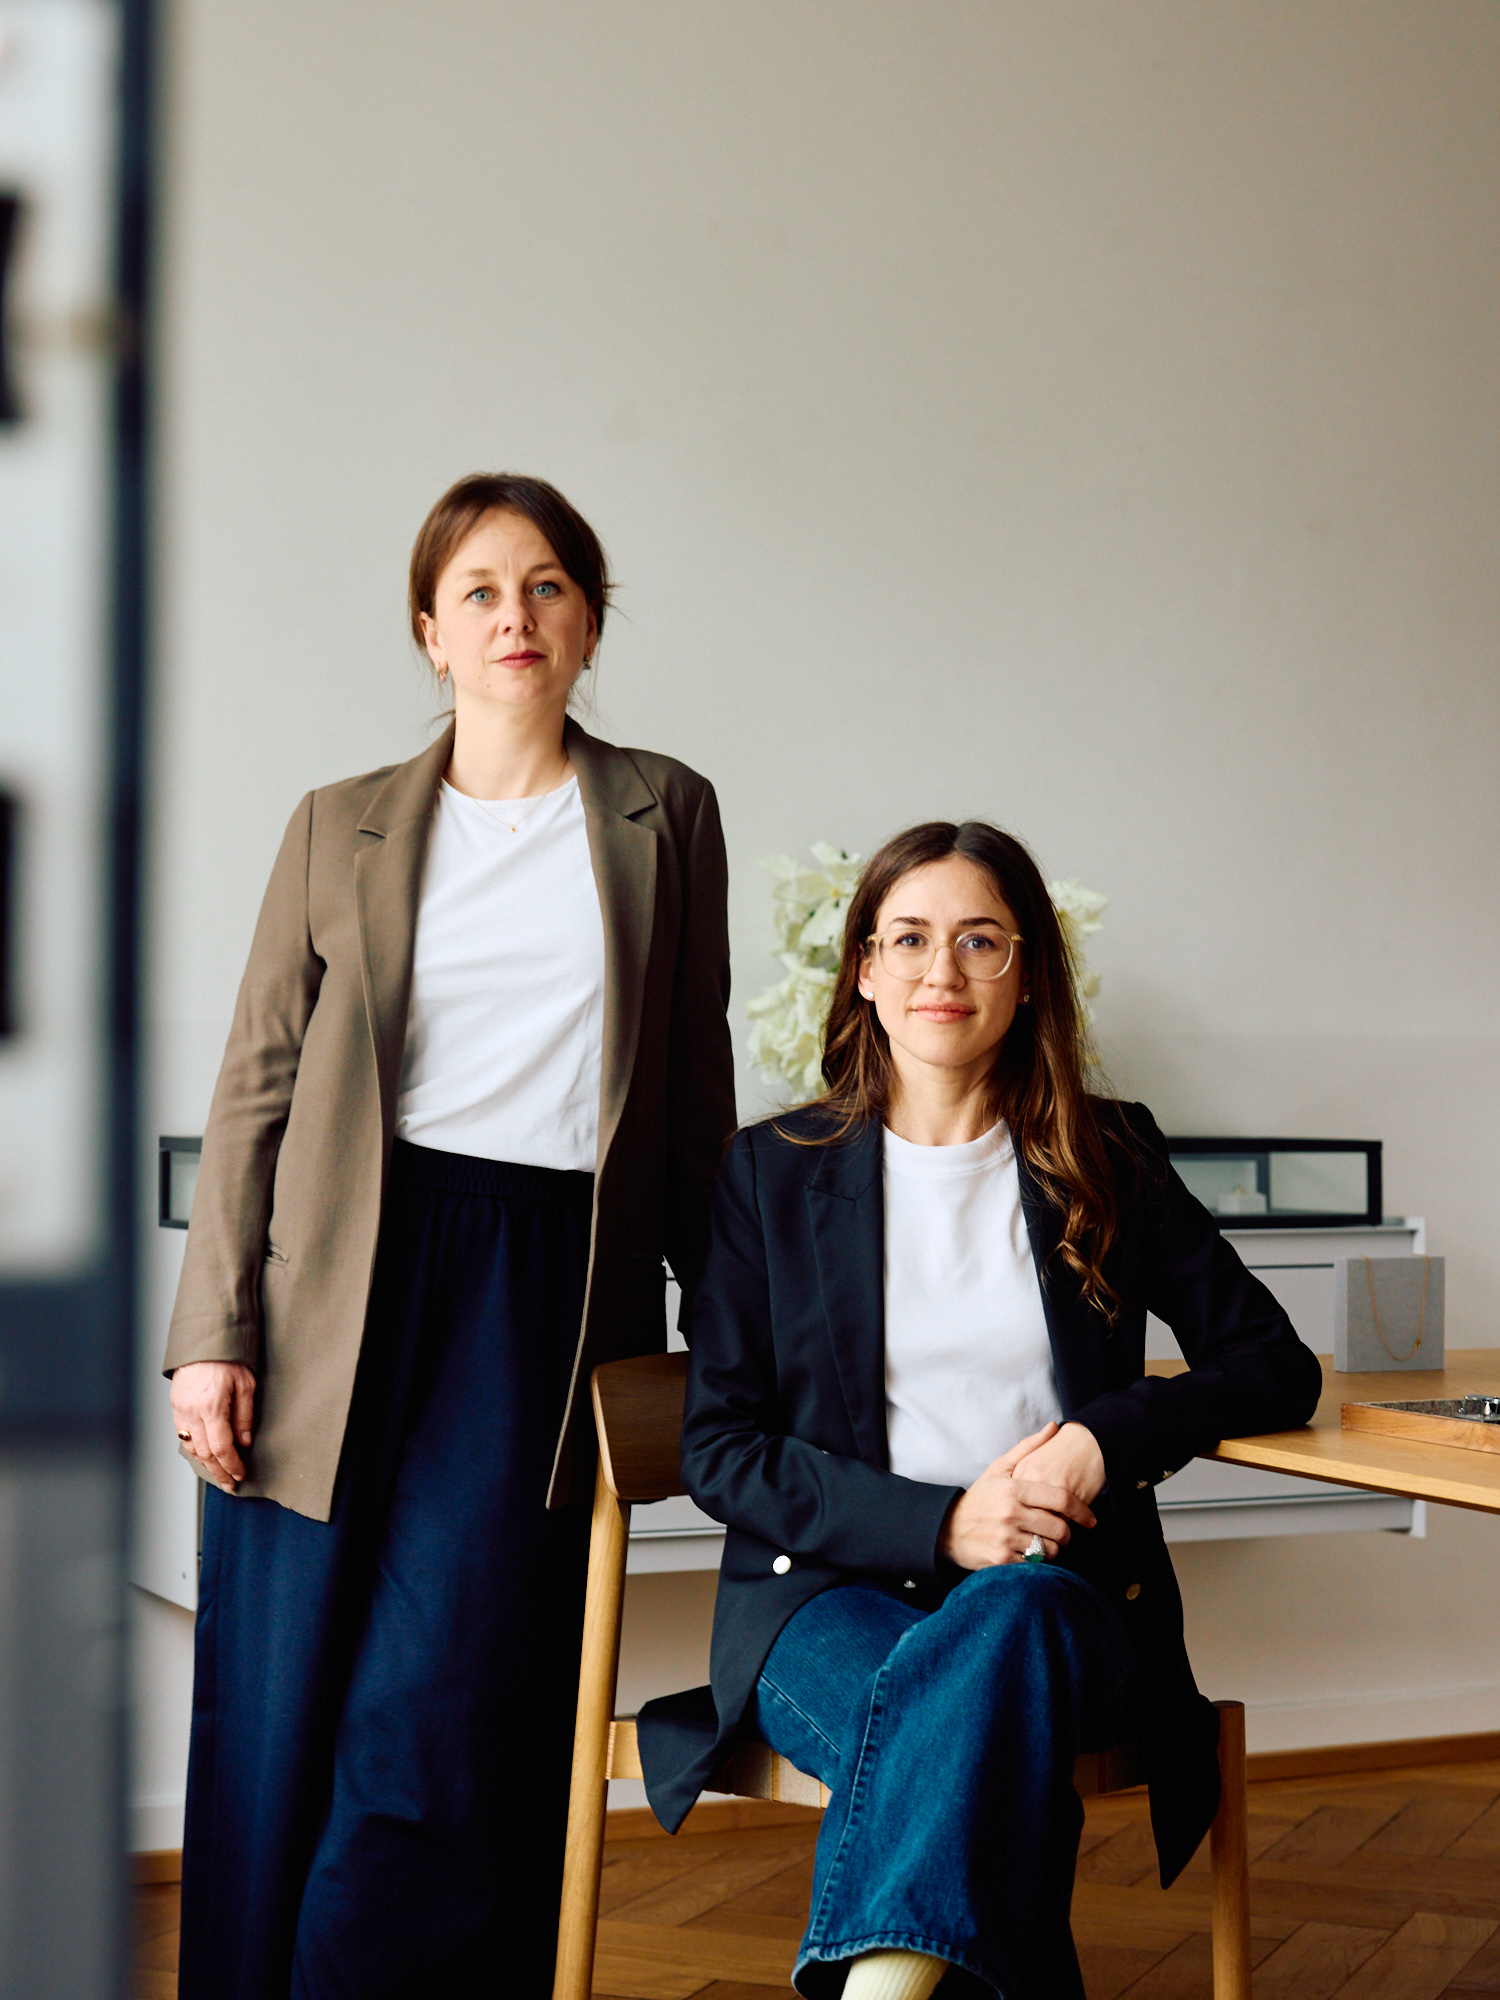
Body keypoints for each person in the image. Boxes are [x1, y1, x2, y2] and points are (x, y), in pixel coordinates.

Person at [164, 472, 735, 2000]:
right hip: (333, 1280)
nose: (515, 616)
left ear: (590, 620)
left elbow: (689, 1093)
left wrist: (740, 1325)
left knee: (450, 1697)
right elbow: (255, 1089)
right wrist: (211, 1331)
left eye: (547, 585)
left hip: (539, 1296)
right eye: (479, 590)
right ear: (429, 630)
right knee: (283, 1691)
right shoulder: (334, 822)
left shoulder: (662, 811)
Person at [637, 819, 1320, 2000]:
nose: (939, 972)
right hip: (825, 1597)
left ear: (1029, 971)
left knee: (1003, 1642)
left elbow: (1273, 1360)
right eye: (907, 938)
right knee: (984, 1728)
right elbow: (723, 1448)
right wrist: (944, 1522)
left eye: (980, 941)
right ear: (862, 966)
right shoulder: (771, 1172)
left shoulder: (1107, 1154)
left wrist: (1107, 1439)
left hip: (1062, 1599)